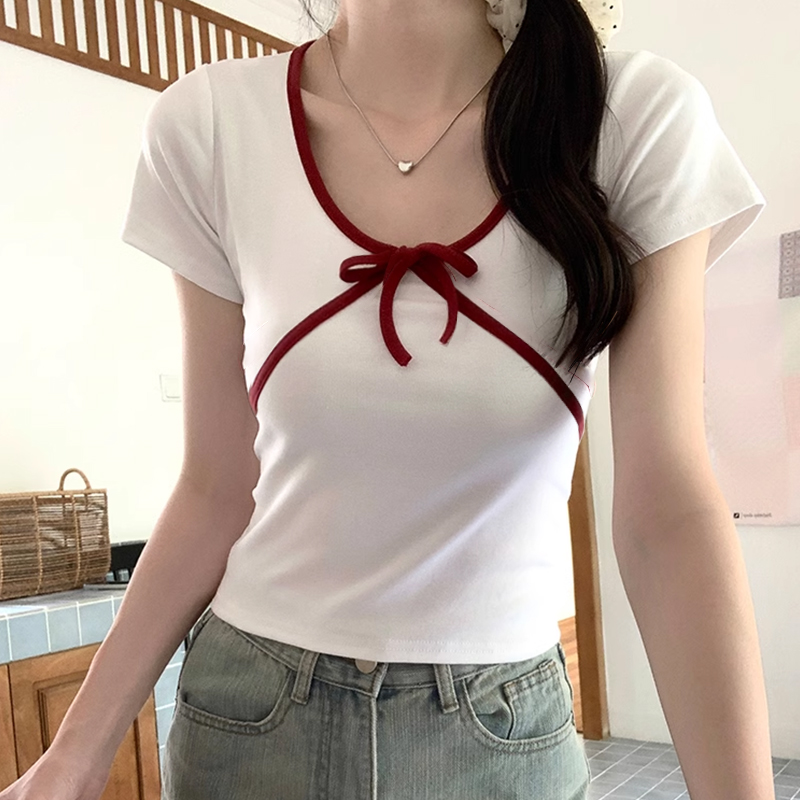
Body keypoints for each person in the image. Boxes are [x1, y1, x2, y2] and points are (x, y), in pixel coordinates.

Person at [1, 0, 775, 799]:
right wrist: (76, 754)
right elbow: (214, 487)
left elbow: (665, 510)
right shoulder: (212, 124)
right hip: (250, 714)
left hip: (498, 729)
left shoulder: (629, 118)